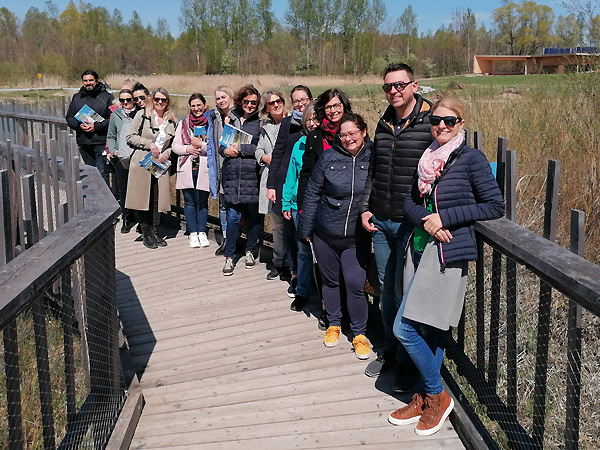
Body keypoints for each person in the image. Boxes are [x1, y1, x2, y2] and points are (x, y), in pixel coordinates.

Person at [388, 96, 504, 436]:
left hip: (444, 256)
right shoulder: (427, 158)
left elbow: (494, 205)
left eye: (449, 121)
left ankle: (436, 396)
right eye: (435, 120)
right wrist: (427, 219)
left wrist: (446, 218)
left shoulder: (471, 159)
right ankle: (426, 395)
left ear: (461, 124)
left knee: (404, 328)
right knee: (429, 329)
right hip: (419, 249)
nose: (441, 126)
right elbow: (409, 202)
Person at [359, 63, 435, 390]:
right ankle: (391, 350)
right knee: (387, 293)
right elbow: (374, 170)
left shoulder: (431, 122)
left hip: (410, 224)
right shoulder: (384, 122)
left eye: (399, 85)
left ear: (414, 85)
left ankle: (409, 361)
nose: (394, 91)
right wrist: (365, 208)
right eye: (388, 86)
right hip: (381, 220)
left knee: (408, 294)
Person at [299, 113, 372, 360]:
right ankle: (334, 324)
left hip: (356, 235)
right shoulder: (329, 157)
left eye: (353, 133)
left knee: (354, 282)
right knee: (330, 281)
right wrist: (306, 230)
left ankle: (360, 333)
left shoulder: (375, 158)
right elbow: (312, 193)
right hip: (325, 233)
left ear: (363, 131)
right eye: (343, 134)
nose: (348, 138)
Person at [296, 88, 352, 327]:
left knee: (350, 267)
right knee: (325, 264)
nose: (333, 110)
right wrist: (304, 210)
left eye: (337, 105)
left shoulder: (352, 132)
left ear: (344, 107)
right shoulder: (315, 136)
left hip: (350, 209)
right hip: (322, 209)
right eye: (329, 106)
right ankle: (329, 310)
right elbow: (306, 176)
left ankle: (351, 311)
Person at [265, 85, 313, 288]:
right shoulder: (287, 123)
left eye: (304, 99)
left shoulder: (317, 122)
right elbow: (277, 155)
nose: (300, 104)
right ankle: (295, 276)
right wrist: (272, 185)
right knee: (291, 235)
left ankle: (311, 280)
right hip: (288, 186)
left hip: (311, 188)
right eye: (296, 101)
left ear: (311, 99)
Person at [125, 88, 177, 249]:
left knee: (157, 197)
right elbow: (130, 136)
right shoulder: (142, 115)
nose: (160, 102)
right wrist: (150, 144)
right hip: (143, 161)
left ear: (168, 102)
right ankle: (146, 232)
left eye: (164, 100)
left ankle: (154, 230)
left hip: (160, 163)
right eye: (157, 99)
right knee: (143, 197)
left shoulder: (173, 121)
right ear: (152, 100)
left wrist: (167, 153)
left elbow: (174, 144)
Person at [220, 85, 262, 276]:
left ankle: (250, 251)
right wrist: (225, 151)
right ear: (240, 101)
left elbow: (260, 149)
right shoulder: (231, 119)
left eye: (253, 102)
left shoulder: (260, 123)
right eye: (246, 101)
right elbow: (221, 146)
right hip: (232, 176)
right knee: (233, 218)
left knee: (254, 217)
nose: (250, 105)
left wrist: (241, 149)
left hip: (252, 176)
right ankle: (230, 255)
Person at [281, 102, 318, 311]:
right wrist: (287, 202)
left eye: (315, 119)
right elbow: (290, 177)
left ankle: (325, 298)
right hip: (298, 205)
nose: (312, 124)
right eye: (308, 120)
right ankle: (303, 291)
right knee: (303, 251)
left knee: (322, 255)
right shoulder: (299, 145)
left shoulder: (329, 143)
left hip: (320, 206)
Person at [172, 93, 217, 248]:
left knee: (203, 202)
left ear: (204, 105)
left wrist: (201, 146)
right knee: (189, 202)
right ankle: (192, 232)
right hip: (187, 167)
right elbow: (175, 146)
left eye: (199, 105)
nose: (196, 108)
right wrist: (188, 149)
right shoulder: (183, 124)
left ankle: (201, 231)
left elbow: (214, 146)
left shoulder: (211, 123)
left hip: (204, 167)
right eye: (193, 106)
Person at [255, 90, 290, 280]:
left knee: (291, 225)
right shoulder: (266, 127)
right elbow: (259, 148)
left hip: (290, 179)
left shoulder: (293, 123)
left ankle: (292, 265)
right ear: (267, 108)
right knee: (277, 225)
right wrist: (262, 157)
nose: (276, 105)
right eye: (271, 103)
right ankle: (279, 262)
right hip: (271, 179)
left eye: (278, 101)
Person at [65, 69, 114, 185]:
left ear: (96, 81)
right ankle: (94, 200)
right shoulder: (77, 97)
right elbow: (69, 117)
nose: (88, 83)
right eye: (85, 81)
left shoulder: (107, 97)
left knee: (102, 173)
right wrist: (79, 126)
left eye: (91, 80)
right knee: (90, 173)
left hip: (101, 141)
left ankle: (105, 201)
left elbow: (112, 119)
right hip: (84, 142)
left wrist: (96, 126)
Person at [207, 85, 235, 256]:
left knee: (237, 208)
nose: (221, 101)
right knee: (223, 206)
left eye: (224, 97)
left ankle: (240, 241)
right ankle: (226, 239)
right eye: (218, 98)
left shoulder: (238, 117)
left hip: (235, 168)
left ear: (231, 98)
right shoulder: (213, 117)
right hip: (219, 167)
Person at [106, 88, 137, 233]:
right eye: (122, 100)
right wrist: (113, 151)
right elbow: (111, 136)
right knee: (123, 189)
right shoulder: (115, 115)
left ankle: (139, 218)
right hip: (121, 157)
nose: (125, 103)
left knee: (138, 188)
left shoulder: (140, 114)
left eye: (128, 100)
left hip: (137, 157)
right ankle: (126, 218)